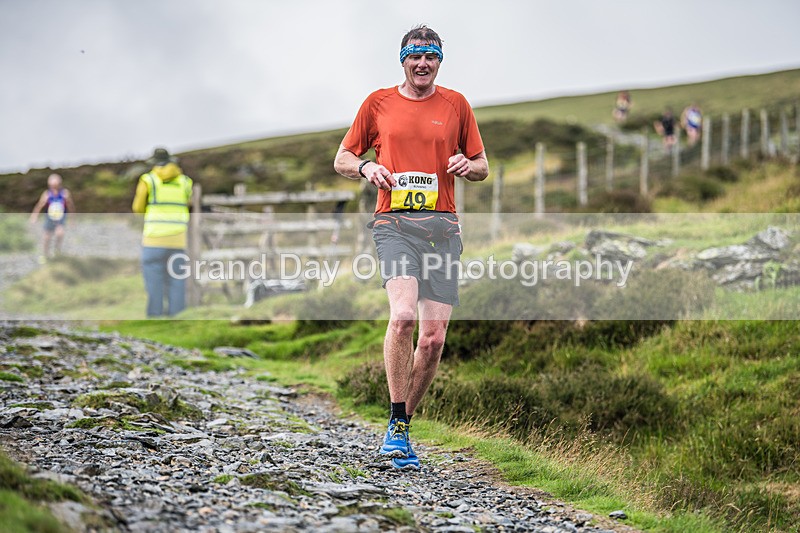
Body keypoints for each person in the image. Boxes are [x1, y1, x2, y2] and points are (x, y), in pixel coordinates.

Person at [334, 25, 488, 470]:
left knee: (434, 339)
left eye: (431, 56)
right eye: (415, 55)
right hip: (394, 225)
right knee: (403, 317)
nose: (423, 63)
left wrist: (467, 165)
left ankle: (400, 425)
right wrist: (366, 169)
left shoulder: (457, 105)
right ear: (403, 60)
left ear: (440, 61)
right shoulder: (377, 103)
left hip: (442, 229)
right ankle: (397, 424)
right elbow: (342, 158)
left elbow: (483, 165)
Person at [132, 147, 194, 317]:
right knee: (177, 279)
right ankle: (178, 317)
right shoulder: (185, 181)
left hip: (154, 239)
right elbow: (189, 204)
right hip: (178, 239)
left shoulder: (148, 180)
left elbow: (137, 208)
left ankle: (155, 317)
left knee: (154, 281)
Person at [29, 173, 76, 263]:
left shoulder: (65, 193)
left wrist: (72, 219)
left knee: (60, 234)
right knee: (47, 237)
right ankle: (45, 255)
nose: (54, 188)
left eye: (56, 185)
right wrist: (34, 216)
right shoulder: (47, 194)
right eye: (52, 186)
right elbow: (39, 205)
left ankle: (57, 252)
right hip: (49, 217)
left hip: (61, 217)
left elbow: (71, 206)